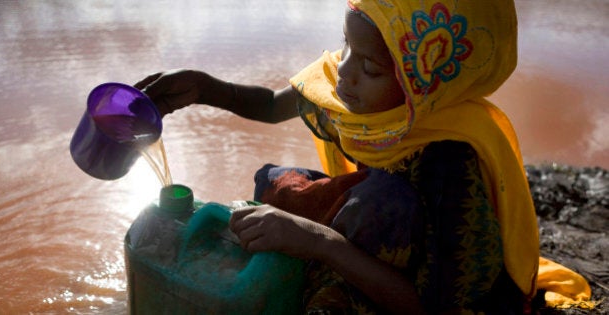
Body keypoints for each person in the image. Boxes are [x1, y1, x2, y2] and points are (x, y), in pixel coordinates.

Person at [135, 0, 592, 313]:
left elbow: (440, 308)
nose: (345, 73)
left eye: (371, 66)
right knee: (275, 181)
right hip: (375, 221)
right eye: (346, 46)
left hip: (424, 277)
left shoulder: (450, 157)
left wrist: (316, 242)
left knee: (378, 204)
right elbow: (273, 106)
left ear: (422, 82)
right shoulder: (357, 89)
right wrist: (203, 87)